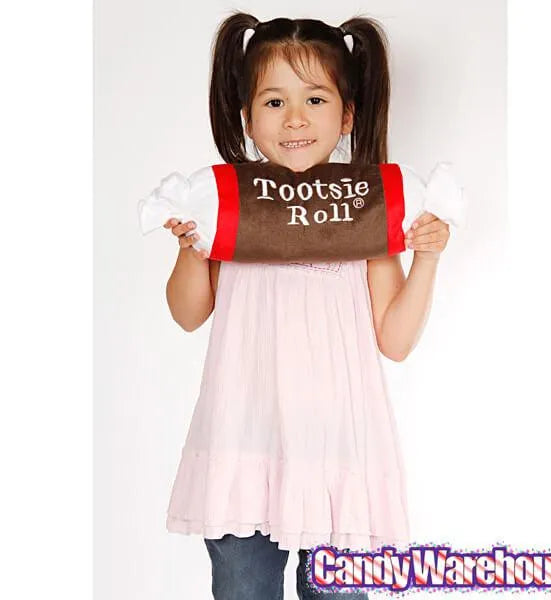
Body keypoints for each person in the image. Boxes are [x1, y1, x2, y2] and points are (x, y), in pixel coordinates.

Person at [161, 11, 452, 599]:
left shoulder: (364, 208)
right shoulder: (230, 205)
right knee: (243, 588)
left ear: (346, 114)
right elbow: (189, 314)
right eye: (274, 102)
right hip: (243, 443)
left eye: (315, 99)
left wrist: (427, 257)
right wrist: (192, 249)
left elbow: (395, 340)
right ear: (247, 116)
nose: (295, 118)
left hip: (339, 448)